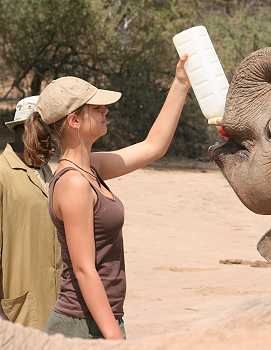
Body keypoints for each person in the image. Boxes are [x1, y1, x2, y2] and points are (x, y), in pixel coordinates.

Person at [22, 56, 190, 339]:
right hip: (81, 325)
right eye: (97, 108)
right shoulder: (73, 183)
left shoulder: (91, 167)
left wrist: (181, 83)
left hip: (98, 319)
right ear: (74, 120)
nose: (106, 112)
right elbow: (84, 269)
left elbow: (153, 146)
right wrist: (115, 338)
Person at [0, 96, 61, 330]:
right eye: (43, 134)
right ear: (20, 132)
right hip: (20, 309)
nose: (50, 142)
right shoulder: (3, 174)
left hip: (57, 303)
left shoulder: (47, 172)